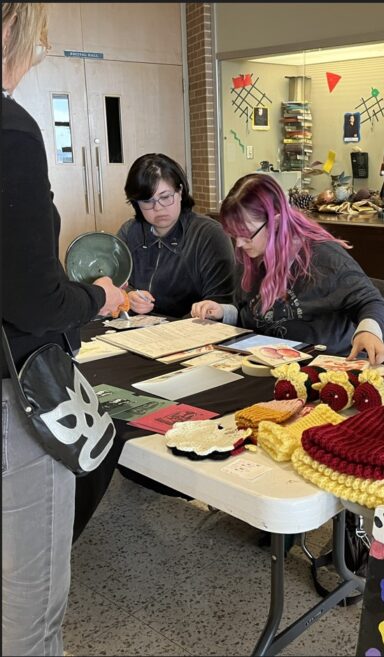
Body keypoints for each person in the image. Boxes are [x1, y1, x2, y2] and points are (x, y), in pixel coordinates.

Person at [1, 4, 126, 655]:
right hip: (14, 392)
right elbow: (36, 299)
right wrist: (96, 297)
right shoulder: (10, 131)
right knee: (30, 602)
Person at [191, 174, 384, 365]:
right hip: (266, 360)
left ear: (276, 222)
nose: (240, 244)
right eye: (235, 235)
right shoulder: (250, 254)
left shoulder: (323, 257)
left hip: (321, 365)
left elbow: (371, 301)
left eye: (246, 234)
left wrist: (368, 332)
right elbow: (250, 311)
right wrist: (222, 311)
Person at [117, 153, 236, 318]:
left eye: (165, 197)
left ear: (180, 191)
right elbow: (114, 284)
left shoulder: (209, 234)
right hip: (138, 329)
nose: (158, 208)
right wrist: (127, 296)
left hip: (192, 331)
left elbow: (220, 303)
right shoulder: (130, 232)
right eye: (147, 201)